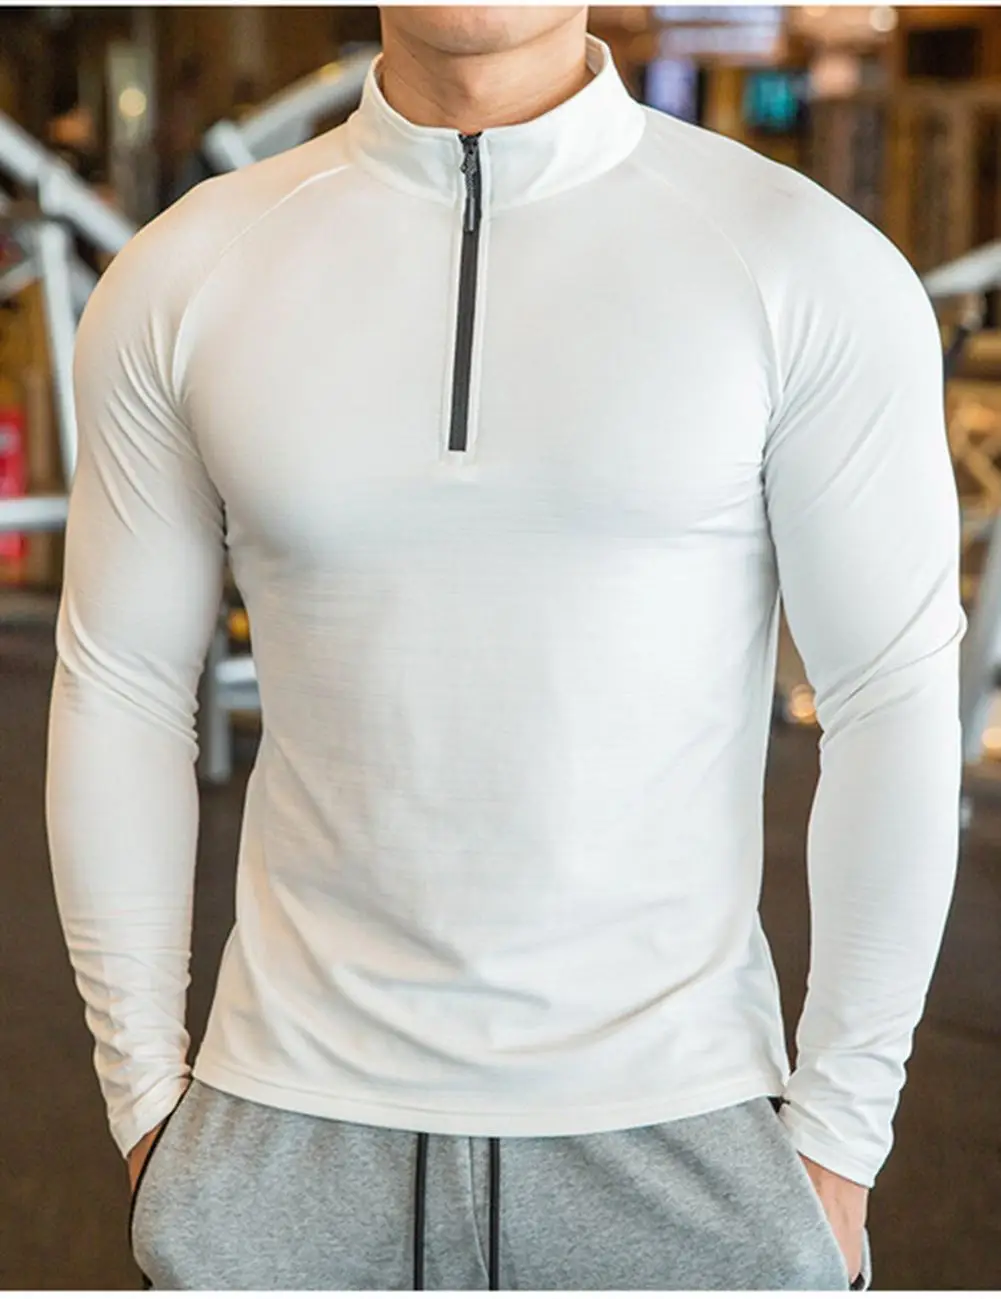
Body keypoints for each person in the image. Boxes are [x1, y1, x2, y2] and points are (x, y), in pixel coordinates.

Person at [46, 5, 964, 1290]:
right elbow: (123, 689)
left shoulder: (801, 260)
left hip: (684, 1131)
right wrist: (147, 1106)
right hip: (283, 1133)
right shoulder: (186, 271)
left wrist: (837, 1146)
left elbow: (890, 696)